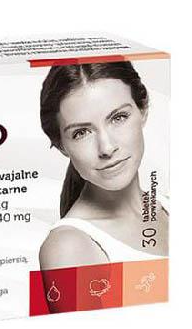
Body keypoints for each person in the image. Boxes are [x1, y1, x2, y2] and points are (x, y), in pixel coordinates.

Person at [39, 62, 169, 271]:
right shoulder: (68, 247)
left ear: (143, 109)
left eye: (118, 118)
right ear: (61, 146)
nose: (106, 148)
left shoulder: (171, 207)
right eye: (81, 133)